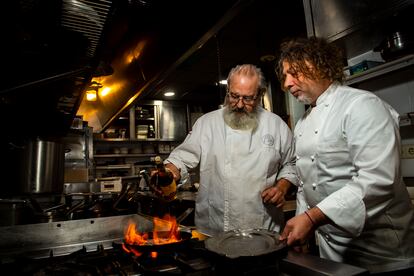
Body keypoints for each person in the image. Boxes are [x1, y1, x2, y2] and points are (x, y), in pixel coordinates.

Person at [276, 36, 414, 274]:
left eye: (294, 73)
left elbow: (377, 179)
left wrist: (311, 219)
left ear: (318, 64)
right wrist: (302, 225)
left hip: (380, 251)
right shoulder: (303, 122)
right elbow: (305, 184)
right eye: (285, 76)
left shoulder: (362, 105)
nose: (287, 83)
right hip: (332, 249)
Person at [162, 64, 297, 236]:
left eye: (248, 98)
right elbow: (181, 158)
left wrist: (282, 187)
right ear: (228, 91)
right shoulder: (207, 123)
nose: (239, 105)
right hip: (215, 228)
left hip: (263, 227)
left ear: (260, 95)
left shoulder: (276, 125)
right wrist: (170, 171)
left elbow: (291, 164)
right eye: (234, 96)